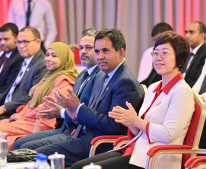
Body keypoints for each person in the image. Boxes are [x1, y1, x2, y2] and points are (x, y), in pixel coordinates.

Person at [71, 31, 195, 169]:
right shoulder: (154, 87)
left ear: (180, 57)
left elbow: (168, 135)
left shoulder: (182, 91)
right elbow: (140, 132)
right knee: (79, 166)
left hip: (156, 158)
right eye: (155, 53)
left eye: (164, 53)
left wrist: (136, 121)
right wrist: (130, 122)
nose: (158, 57)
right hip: (136, 150)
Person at [24, 29, 144, 167]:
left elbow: (114, 126)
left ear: (120, 53)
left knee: (36, 157)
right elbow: (93, 112)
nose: (100, 56)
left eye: (106, 51)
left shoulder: (124, 82)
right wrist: (73, 112)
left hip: (99, 143)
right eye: (98, 51)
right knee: (31, 153)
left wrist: (78, 109)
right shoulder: (106, 75)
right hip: (81, 136)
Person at [12, 28, 103, 150]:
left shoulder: (100, 77)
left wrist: (63, 112)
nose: (83, 52)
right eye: (81, 48)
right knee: (20, 143)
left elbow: (86, 112)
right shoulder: (81, 74)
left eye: (89, 48)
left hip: (80, 134)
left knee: (24, 147)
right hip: (65, 127)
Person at [0, 42, 77, 150]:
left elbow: (48, 106)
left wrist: (23, 116)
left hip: (45, 121)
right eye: (47, 54)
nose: (48, 58)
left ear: (64, 59)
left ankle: (7, 158)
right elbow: (33, 100)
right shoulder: (49, 76)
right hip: (32, 118)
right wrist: (20, 114)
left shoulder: (64, 80)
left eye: (54, 56)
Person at [139, 22, 173, 87]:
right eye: (154, 40)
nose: (155, 44)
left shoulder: (173, 59)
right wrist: (135, 87)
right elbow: (149, 80)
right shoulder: (158, 57)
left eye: (158, 40)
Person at [183, 21, 206, 89]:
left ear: (202, 35)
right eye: (186, 32)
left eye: (191, 32)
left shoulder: (204, 54)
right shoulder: (185, 53)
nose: (187, 35)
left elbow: (199, 81)